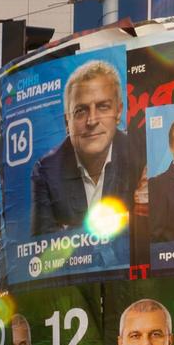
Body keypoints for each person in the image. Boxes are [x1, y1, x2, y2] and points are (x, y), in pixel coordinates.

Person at [30, 59, 142, 238]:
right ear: (67, 122)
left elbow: (149, 231)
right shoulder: (46, 172)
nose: (92, 121)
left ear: (119, 112)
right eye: (80, 111)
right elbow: (44, 250)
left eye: (103, 107)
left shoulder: (139, 155)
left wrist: (70, 233)